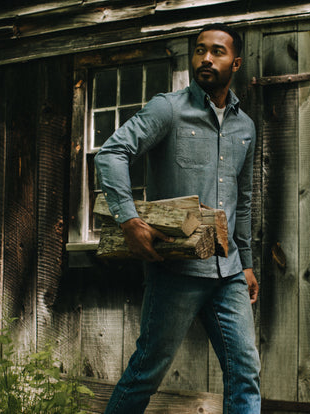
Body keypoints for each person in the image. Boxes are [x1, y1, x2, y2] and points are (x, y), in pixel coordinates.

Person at [95, 23, 261, 414]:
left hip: (229, 271)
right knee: (146, 372)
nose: (206, 58)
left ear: (235, 62)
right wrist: (128, 219)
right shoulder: (167, 109)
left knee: (246, 373)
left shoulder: (245, 127)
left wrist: (248, 263)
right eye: (200, 50)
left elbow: (245, 198)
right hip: (176, 268)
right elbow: (111, 153)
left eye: (217, 51)